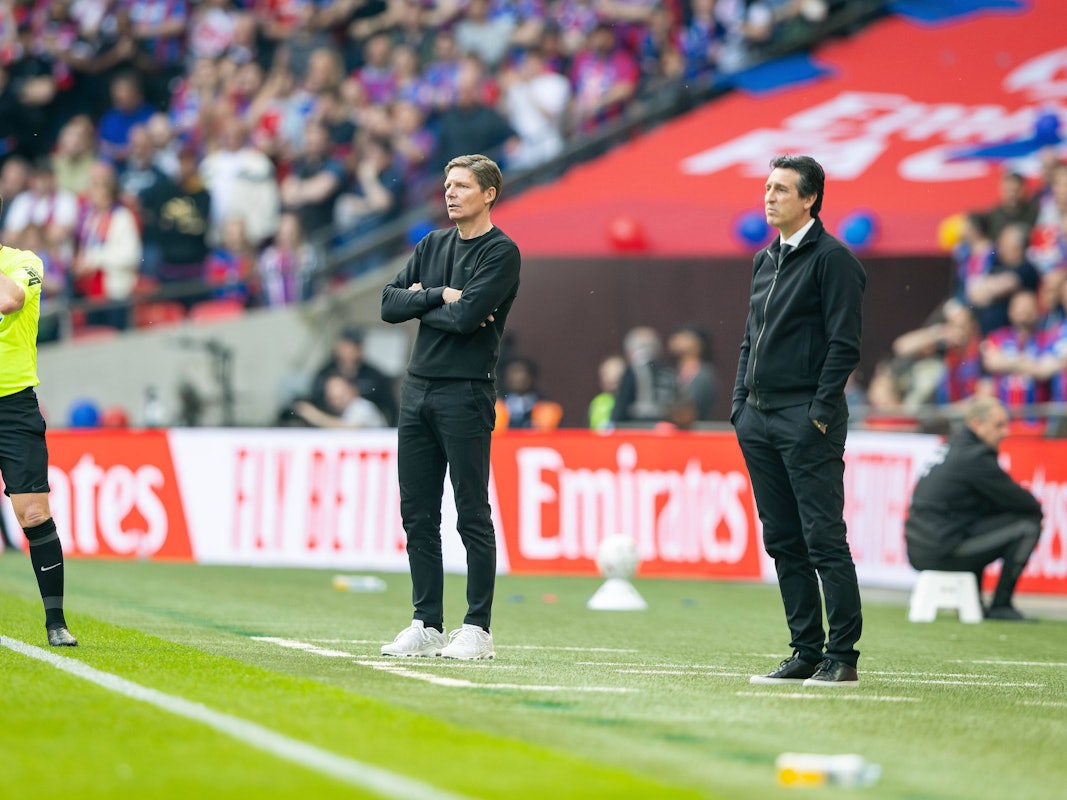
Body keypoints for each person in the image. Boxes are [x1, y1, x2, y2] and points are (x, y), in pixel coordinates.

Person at [380, 153, 520, 660]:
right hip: (417, 391)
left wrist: (424, 302)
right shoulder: (433, 244)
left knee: (470, 512)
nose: (450, 192)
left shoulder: (501, 252)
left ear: (488, 194)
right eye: (447, 183)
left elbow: (468, 320)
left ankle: (477, 628)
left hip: (465, 391)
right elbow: (387, 304)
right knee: (417, 512)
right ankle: (426, 622)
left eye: (461, 185)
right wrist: (439, 294)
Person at [733, 154, 866, 687]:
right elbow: (749, 339)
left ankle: (843, 655)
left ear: (809, 198)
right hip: (758, 419)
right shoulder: (765, 260)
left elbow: (845, 345)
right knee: (783, 539)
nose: (769, 197)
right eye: (767, 187)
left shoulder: (833, 260)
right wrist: (739, 406)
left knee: (823, 538)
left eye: (781, 189)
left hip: (806, 419)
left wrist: (818, 410)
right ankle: (805, 650)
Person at [0, 230, 78, 646]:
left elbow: (9, 301)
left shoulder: (24, 263)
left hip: (12, 407)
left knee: (32, 515)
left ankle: (56, 622)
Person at [904, 397, 1042, 621]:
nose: (1005, 432)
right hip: (940, 551)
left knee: (977, 520)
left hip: (921, 549)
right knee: (1028, 525)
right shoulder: (975, 457)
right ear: (977, 424)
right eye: (999, 425)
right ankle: (1001, 605)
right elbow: (1028, 504)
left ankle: (977, 601)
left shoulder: (953, 447)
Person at [290, 373, 387, 428]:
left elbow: (349, 429)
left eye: (338, 389)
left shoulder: (362, 407)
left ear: (352, 389)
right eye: (329, 391)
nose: (333, 394)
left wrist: (314, 415)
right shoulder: (343, 412)